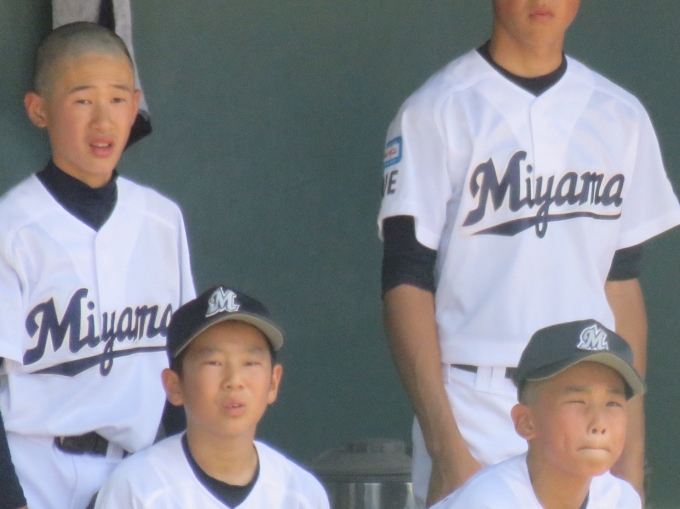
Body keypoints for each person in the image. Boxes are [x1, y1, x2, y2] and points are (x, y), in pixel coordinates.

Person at [378, 1, 680, 506]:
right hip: (475, 398)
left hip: (588, 399)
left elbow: (621, 280)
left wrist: (631, 455)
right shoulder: (436, 109)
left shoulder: (619, 114)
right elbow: (405, 279)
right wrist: (446, 447)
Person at [0, 22, 195, 509]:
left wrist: (183, 483)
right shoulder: (12, 228)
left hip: (138, 473)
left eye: (117, 99)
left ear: (136, 105)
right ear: (38, 110)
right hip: (34, 471)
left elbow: (181, 368)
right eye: (83, 100)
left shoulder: (162, 220)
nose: (103, 120)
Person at [94, 285, 330, 508]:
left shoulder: (301, 493)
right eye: (214, 362)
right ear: (174, 385)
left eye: (250, 363)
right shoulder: (138, 487)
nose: (234, 380)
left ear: (273, 382)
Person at [431, 319, 644, 509]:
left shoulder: (621, 500)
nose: (599, 424)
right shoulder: (489, 502)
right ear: (526, 422)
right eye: (578, 402)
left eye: (612, 404)